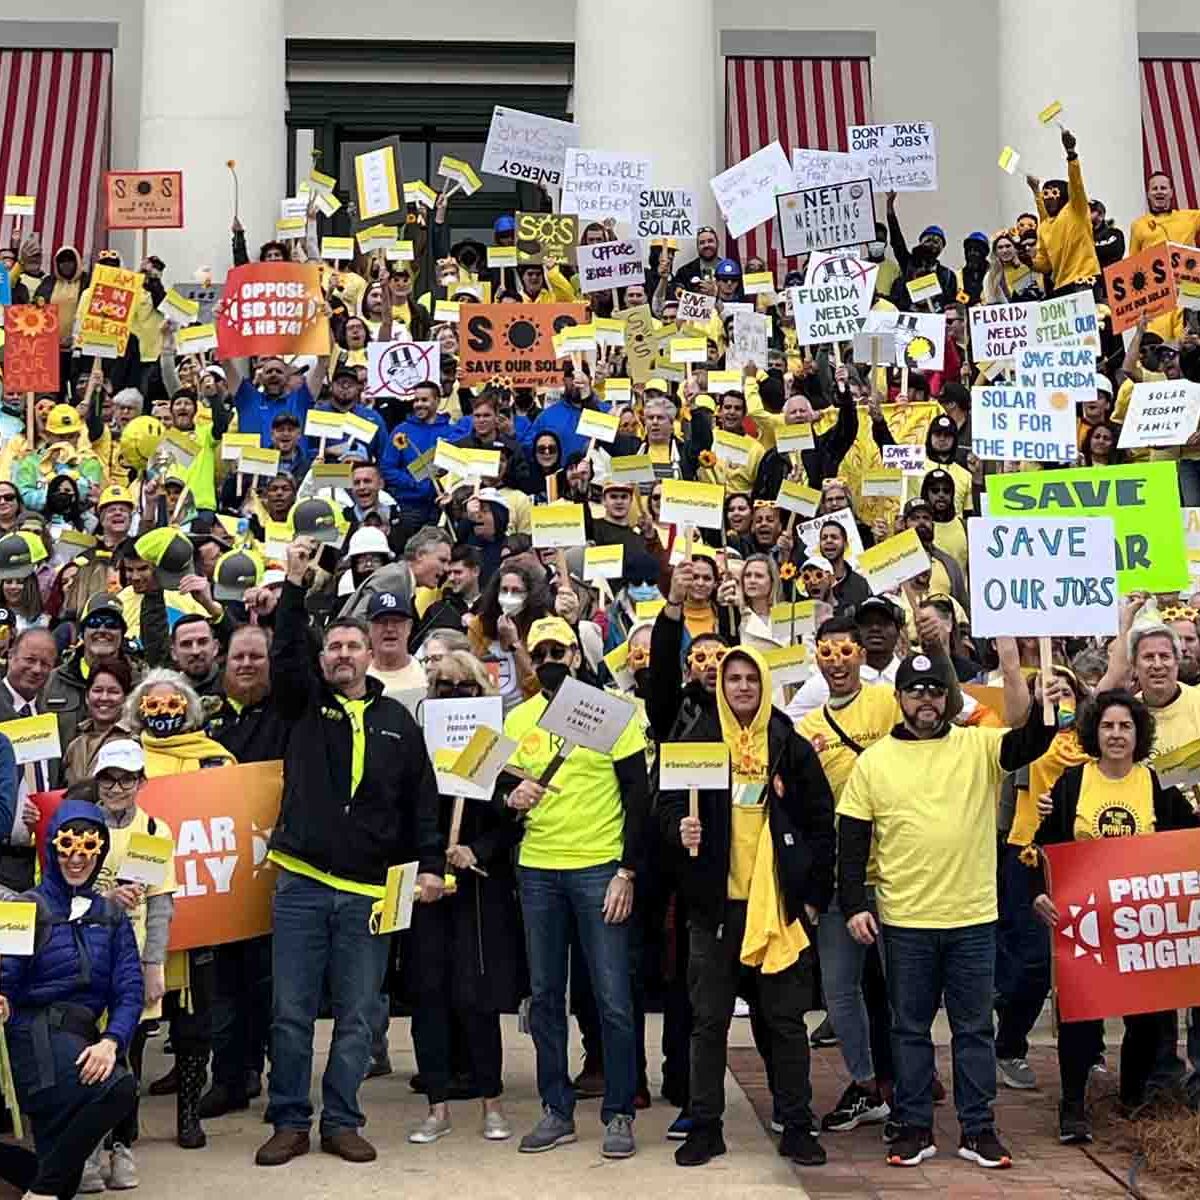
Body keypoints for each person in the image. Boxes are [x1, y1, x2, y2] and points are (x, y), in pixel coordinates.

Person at [837, 645, 1070, 1170]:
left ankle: (978, 1128)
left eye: (936, 691)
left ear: (949, 698)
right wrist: (853, 903)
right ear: (899, 698)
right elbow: (851, 841)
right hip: (905, 921)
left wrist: (1045, 703)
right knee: (910, 1028)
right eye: (916, 691)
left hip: (972, 918)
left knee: (973, 1029)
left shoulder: (977, 745)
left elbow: (1031, 741)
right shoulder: (874, 762)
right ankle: (914, 1125)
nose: (926, 699)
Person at [255, 539, 443, 1168]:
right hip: (302, 884)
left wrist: (432, 867)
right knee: (291, 1011)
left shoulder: (399, 721)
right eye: (332, 646)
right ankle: (288, 1119)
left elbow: (421, 804)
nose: (341, 654)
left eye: (351, 646)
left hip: (371, 892)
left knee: (360, 1017)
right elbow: (285, 658)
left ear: (371, 656)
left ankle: (341, 1120)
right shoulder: (304, 705)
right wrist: (292, 586)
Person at [663, 646, 835, 1168]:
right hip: (715, 908)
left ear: (762, 686)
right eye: (733, 678)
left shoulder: (787, 740)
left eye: (750, 680)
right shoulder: (697, 739)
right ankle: (706, 1125)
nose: (741, 687)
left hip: (777, 908)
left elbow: (820, 821)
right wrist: (679, 827)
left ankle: (797, 1124)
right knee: (708, 1022)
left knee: (784, 1022)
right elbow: (664, 805)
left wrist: (810, 900)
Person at [501, 616, 650, 1159]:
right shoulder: (517, 718)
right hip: (537, 869)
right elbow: (493, 786)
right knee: (544, 997)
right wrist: (508, 799)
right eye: (538, 652)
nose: (549, 660)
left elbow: (639, 797)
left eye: (559, 650)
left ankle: (618, 1113)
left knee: (612, 997)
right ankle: (555, 1109)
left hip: (598, 869)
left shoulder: (615, 716)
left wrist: (627, 872)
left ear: (578, 654)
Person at [1032, 690, 1199, 1141]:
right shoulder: (1070, 784)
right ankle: (1072, 1107)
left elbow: (1190, 844)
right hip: (1084, 923)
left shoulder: (1158, 784)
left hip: (1138, 925)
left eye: (1125, 726)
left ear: (1138, 733)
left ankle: (1132, 1098)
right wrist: (1038, 895)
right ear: (1094, 732)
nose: (1117, 734)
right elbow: (1042, 848)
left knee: (1146, 1020)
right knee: (1079, 1018)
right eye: (1108, 726)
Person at [407, 651, 525, 1146]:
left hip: (477, 889)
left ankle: (490, 1101)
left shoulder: (494, 750)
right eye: (445, 687)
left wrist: (476, 849)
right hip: (426, 889)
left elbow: (510, 820)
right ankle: (437, 1107)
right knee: (428, 995)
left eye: (465, 687)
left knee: (476, 998)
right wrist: (432, 861)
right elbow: (406, 815)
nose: (455, 695)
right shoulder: (418, 749)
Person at [0, 800, 141, 1200]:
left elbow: (129, 989)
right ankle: (42, 1192)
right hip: (35, 1036)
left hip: (85, 1038)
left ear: (98, 853)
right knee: (117, 1089)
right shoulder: (29, 906)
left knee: (59, 1172)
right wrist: (3, 996)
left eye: (87, 850)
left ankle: (42, 1189)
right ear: (52, 849)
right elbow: (6, 973)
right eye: (67, 849)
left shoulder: (111, 916)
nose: (76, 860)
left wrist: (112, 1040)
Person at [77, 738, 177, 1192]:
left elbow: (159, 905)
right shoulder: (79, 825)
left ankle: (123, 1144)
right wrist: (104, 902)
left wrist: (154, 964)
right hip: (82, 961)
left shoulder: (155, 831)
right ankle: (90, 1145)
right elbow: (60, 897)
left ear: (141, 782)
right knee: (85, 1055)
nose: (117, 788)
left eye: (126, 779)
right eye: (108, 779)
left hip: (132, 962)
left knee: (128, 1058)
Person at [0, 629, 59, 890]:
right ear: (11, 655)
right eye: (30, 659)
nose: (37, 669)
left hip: (36, 861)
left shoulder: (48, 717)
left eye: (45, 664)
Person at [1028, 129, 1100, 294]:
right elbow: (1045, 265)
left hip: (1084, 279)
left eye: (1054, 193)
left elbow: (1076, 183)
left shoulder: (1076, 209)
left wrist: (1071, 154)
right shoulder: (1044, 226)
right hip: (1060, 286)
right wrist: (1029, 262)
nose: (1048, 198)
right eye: (1045, 195)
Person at [63, 659, 136, 786]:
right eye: (97, 690)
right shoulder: (75, 746)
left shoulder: (135, 741)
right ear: (86, 697)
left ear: (126, 698)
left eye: (113, 692)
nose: (104, 698)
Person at [366, 590, 427, 701]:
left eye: (397, 621)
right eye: (382, 621)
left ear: (409, 627)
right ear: (369, 628)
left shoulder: (427, 672)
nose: (389, 628)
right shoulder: (358, 678)